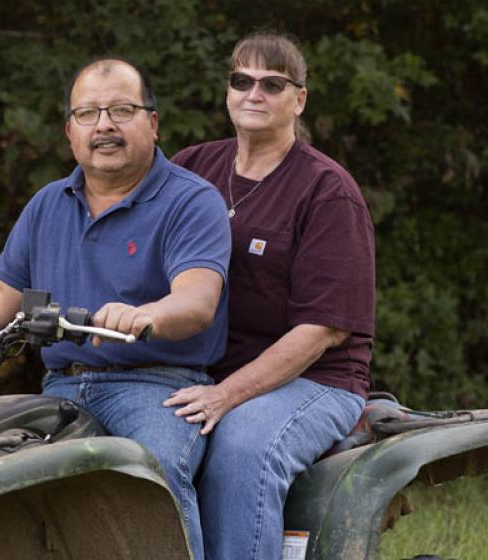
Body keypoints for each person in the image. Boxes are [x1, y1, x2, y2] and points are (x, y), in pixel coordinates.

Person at [0, 58, 230, 560]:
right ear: (69, 131)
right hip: (60, 390)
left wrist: (149, 315)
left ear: (153, 122)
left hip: (157, 387)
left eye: (121, 110)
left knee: (152, 472)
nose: (105, 126)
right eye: (88, 114)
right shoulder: (48, 205)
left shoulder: (191, 201)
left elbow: (198, 299)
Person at [167, 32, 375, 560]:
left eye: (272, 83)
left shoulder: (327, 190)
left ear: (298, 99)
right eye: (242, 81)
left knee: (241, 447)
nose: (253, 93)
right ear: (228, 91)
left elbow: (322, 330)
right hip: (203, 368)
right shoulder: (192, 169)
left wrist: (226, 395)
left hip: (315, 378)